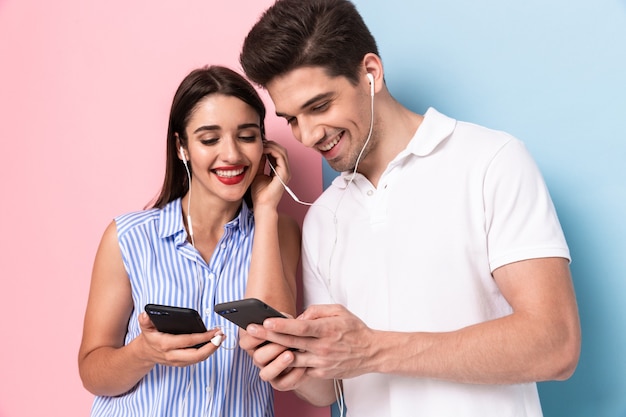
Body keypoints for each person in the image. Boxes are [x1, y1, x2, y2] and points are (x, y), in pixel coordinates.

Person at [237, 1, 581, 416]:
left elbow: (556, 344)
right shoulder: (323, 217)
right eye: (291, 119)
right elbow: (328, 391)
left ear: (370, 73)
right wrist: (295, 367)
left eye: (319, 106)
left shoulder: (492, 161)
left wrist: (374, 350)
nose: (307, 135)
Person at [78, 65, 300, 417]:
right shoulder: (130, 238)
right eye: (210, 139)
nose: (231, 155)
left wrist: (267, 207)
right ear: (181, 147)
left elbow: (278, 346)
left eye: (246, 136)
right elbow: (92, 373)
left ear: (264, 144)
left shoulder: (278, 231)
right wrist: (144, 352)